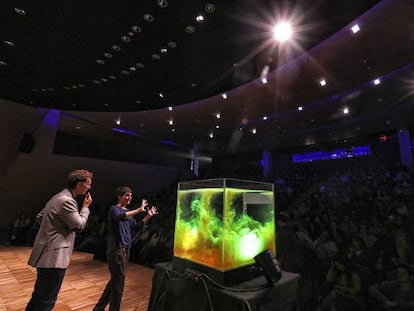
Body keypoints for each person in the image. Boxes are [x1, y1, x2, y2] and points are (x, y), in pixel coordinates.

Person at [25, 169, 93, 311]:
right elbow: (79, 225)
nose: (90, 187)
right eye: (88, 184)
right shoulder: (68, 201)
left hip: (45, 255)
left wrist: (53, 228)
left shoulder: (57, 197)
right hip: (54, 258)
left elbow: (39, 217)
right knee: (47, 300)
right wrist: (85, 208)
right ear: (80, 184)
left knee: (38, 296)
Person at [93, 186, 158, 311]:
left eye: (131, 195)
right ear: (119, 196)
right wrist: (139, 210)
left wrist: (148, 216)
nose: (129, 198)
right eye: (127, 195)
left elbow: (137, 227)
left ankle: (98, 308)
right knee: (119, 282)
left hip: (125, 250)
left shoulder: (128, 213)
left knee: (115, 280)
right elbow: (122, 216)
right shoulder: (114, 209)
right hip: (116, 250)